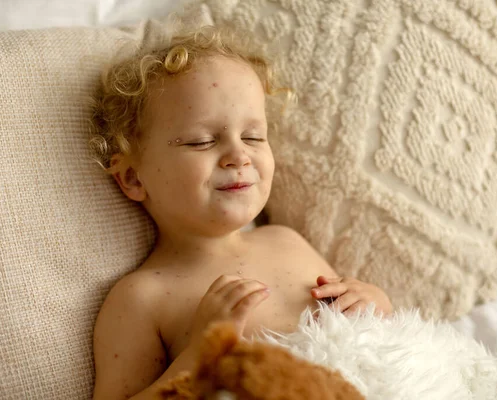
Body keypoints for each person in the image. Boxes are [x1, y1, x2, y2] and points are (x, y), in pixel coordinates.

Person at [90, 25, 393, 400]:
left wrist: (373, 304)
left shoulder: (286, 241)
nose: (239, 155)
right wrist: (199, 353)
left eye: (253, 137)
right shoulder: (141, 298)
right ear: (134, 177)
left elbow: (367, 350)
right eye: (202, 141)